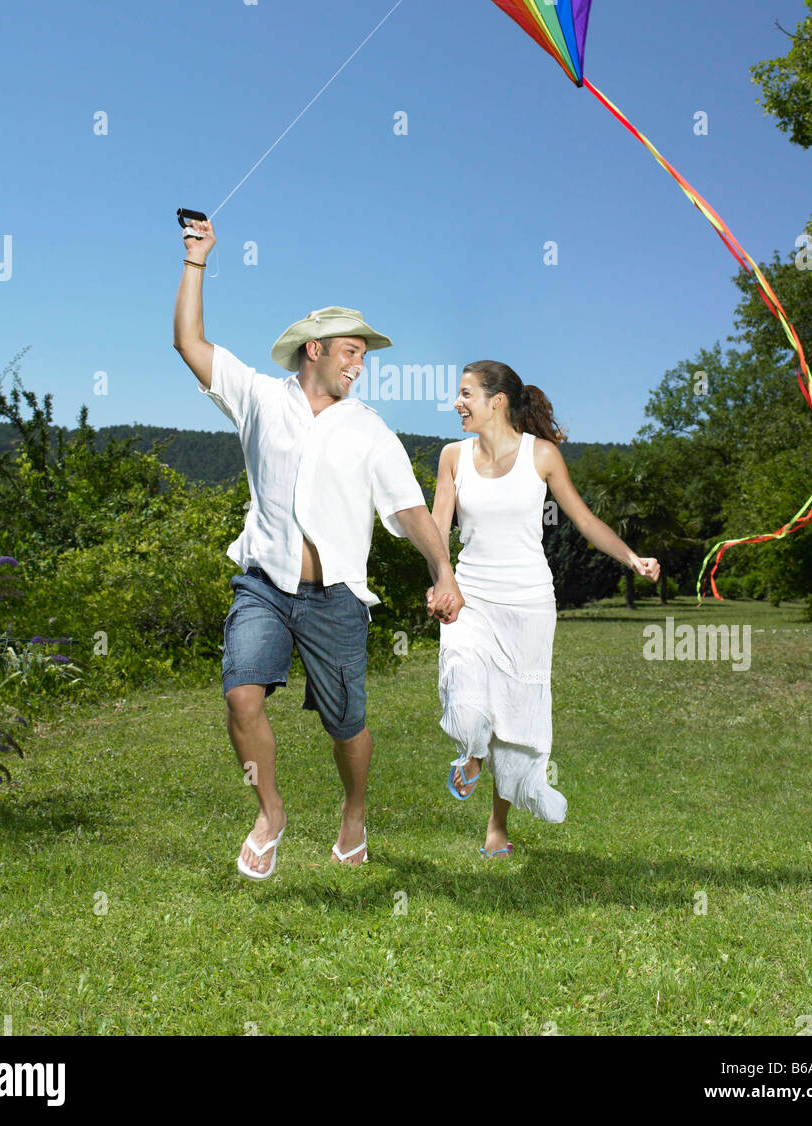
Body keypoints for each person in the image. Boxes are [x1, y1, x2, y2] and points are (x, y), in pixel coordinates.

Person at [173, 217, 464, 879]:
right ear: (313, 350)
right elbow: (187, 341)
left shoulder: (369, 430)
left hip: (335, 598)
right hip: (264, 584)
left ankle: (354, 811)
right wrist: (197, 262)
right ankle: (270, 812)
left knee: (345, 725)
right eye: (349, 352)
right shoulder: (257, 399)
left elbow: (411, 511)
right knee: (240, 696)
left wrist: (441, 568)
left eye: (364, 355)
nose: (359, 365)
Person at [427, 361, 660, 858]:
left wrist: (631, 558)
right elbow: (435, 530)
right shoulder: (452, 457)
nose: (456, 403)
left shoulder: (543, 456)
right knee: (468, 698)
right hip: (470, 597)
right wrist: (441, 582)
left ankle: (496, 825)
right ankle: (470, 752)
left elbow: (584, 519)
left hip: (529, 602)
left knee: (515, 715)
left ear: (498, 401)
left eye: (465, 393)